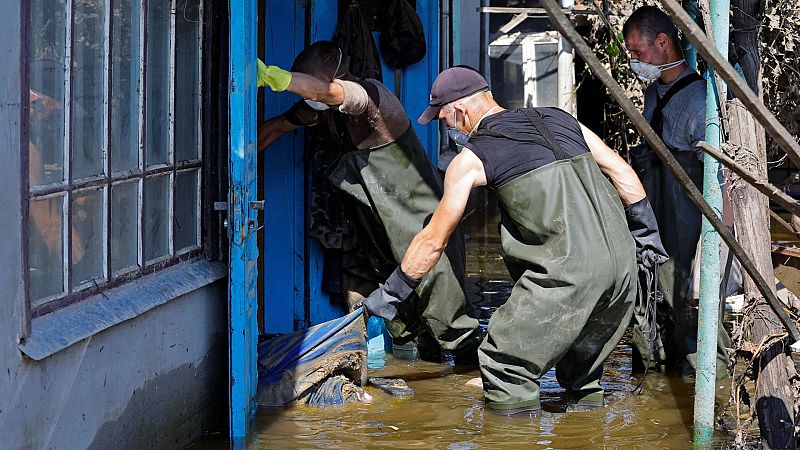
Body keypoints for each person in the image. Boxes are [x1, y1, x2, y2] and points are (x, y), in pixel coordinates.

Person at [361, 65, 658, 416]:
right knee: (583, 379)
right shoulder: (561, 119)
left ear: (460, 110)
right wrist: (646, 238)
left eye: (445, 120)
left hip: (568, 274)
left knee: (505, 367)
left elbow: (433, 241)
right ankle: (585, 432)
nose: (449, 129)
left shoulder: (470, 159)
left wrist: (388, 296)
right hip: (623, 269)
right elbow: (622, 172)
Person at [257, 41, 481, 359]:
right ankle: (418, 391)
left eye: (313, 89)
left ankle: (471, 389)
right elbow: (276, 128)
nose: (310, 98)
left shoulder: (370, 98)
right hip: (381, 231)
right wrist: (238, 158)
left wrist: (278, 79)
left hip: (421, 222)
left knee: (448, 315)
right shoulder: (319, 111)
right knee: (405, 330)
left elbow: (330, 94)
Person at [623, 5, 731, 374]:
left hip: (689, 231)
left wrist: (712, 244)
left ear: (664, 42)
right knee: (653, 302)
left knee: (692, 312)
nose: (634, 60)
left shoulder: (700, 101)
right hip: (657, 225)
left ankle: (708, 381)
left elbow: (718, 180)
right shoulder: (654, 95)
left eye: (638, 52)